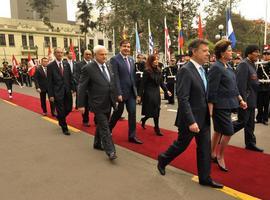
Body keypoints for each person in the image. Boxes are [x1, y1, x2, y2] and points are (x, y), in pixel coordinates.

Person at [157, 39, 223, 188]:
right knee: (182, 145)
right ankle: (163, 159)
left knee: (205, 148)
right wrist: (191, 121)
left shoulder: (202, 69)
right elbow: (183, 98)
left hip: (204, 117)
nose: (208, 53)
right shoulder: (186, 70)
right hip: (190, 119)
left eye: (208, 51)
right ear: (194, 52)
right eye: (204, 51)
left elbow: (203, 94)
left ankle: (205, 178)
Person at [208, 40, 247, 172]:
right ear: (222, 53)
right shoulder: (216, 67)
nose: (232, 52)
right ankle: (220, 155)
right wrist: (210, 110)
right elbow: (211, 90)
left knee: (218, 131)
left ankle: (212, 153)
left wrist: (240, 100)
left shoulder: (228, 66)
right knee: (228, 131)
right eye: (229, 50)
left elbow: (234, 87)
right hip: (219, 106)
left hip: (229, 104)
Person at [77, 45, 117, 160]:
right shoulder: (88, 68)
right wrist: (80, 104)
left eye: (105, 54)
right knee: (105, 127)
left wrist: (116, 97)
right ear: (95, 55)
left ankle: (97, 143)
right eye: (102, 54)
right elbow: (81, 87)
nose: (104, 56)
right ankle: (111, 151)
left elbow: (111, 83)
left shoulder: (109, 65)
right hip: (97, 103)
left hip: (109, 102)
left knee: (101, 124)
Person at [109, 40, 143, 144]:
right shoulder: (114, 59)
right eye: (124, 46)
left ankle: (132, 136)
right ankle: (108, 129)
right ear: (120, 47)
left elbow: (132, 78)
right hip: (121, 92)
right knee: (118, 113)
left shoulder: (132, 60)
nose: (127, 48)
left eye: (128, 47)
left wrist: (136, 93)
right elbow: (115, 78)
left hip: (131, 93)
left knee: (132, 113)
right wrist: (118, 93)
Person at [233, 45, 264, 152]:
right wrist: (242, 100)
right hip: (245, 100)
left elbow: (251, 81)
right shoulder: (243, 65)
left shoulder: (252, 64)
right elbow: (240, 85)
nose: (258, 54)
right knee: (242, 121)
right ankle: (223, 133)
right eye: (256, 52)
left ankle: (250, 143)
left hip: (252, 98)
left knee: (250, 123)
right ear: (249, 53)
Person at [137, 54, 171, 136]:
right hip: (149, 93)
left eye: (157, 59)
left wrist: (167, 91)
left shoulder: (159, 70)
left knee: (156, 110)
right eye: (154, 60)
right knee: (152, 111)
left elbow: (161, 82)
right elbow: (142, 84)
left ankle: (152, 125)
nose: (156, 61)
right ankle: (152, 124)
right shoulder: (147, 71)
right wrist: (139, 95)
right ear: (151, 61)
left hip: (156, 93)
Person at [47, 47, 75, 135]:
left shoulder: (66, 64)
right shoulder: (50, 66)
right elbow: (49, 82)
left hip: (67, 91)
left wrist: (73, 89)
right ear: (55, 54)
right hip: (57, 92)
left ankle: (60, 118)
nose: (60, 54)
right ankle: (64, 127)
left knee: (69, 108)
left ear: (63, 54)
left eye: (61, 52)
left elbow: (70, 77)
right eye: (58, 52)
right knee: (61, 110)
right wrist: (51, 95)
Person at [74, 50, 93, 126]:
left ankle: (97, 120)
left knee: (95, 105)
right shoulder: (78, 64)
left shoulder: (93, 64)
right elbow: (77, 76)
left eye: (90, 54)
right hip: (84, 89)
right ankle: (85, 121)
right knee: (85, 105)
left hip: (93, 89)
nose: (88, 56)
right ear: (83, 55)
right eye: (87, 54)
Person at [256, 47, 270, 125]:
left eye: (268, 54)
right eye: (264, 54)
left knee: (266, 104)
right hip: (260, 87)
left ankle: (265, 119)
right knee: (260, 103)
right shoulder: (259, 63)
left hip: (268, 87)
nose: (266, 55)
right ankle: (259, 118)